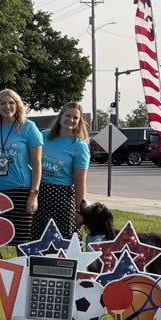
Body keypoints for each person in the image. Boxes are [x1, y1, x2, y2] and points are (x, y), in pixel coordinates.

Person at [0, 89, 43, 259]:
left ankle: (19, 281)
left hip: (20, 191)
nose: (7, 106)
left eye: (11, 103)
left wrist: (34, 194)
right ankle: (0, 279)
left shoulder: (28, 127)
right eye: (2, 103)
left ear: (18, 106)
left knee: (21, 242)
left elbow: (37, 163)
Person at [34, 102, 90, 240]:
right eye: (68, 115)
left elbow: (79, 181)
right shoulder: (43, 136)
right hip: (38, 192)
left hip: (61, 197)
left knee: (61, 240)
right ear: (60, 116)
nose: (71, 120)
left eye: (75, 117)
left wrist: (79, 210)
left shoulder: (79, 146)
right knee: (36, 238)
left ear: (79, 121)